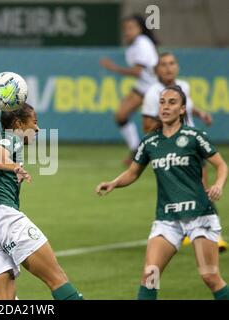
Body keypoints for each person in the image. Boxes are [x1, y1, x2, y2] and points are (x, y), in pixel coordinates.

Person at [96, 85, 229, 300]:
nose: (166, 107)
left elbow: (222, 165)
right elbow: (133, 172)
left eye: (172, 102)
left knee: (210, 277)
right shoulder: (150, 142)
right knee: (150, 275)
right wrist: (113, 183)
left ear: (183, 109)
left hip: (199, 216)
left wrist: (218, 185)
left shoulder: (194, 136)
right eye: (162, 102)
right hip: (167, 219)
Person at [0, 99, 84, 300]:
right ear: (18, 124)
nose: (37, 128)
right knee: (57, 279)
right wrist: (13, 166)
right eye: (34, 122)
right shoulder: (10, 138)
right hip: (3, 219)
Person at [141, 52, 227, 252]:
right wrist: (166, 125)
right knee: (184, 192)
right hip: (171, 149)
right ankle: (187, 231)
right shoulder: (153, 93)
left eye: (172, 63)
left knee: (202, 189)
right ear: (157, 70)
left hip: (190, 146)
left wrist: (200, 113)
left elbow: (188, 106)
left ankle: (212, 236)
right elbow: (146, 124)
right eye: (163, 64)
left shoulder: (184, 87)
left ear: (177, 67)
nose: (168, 68)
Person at [100, 14, 158, 165]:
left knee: (156, 126)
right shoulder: (134, 45)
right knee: (120, 115)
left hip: (154, 88)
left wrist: (114, 68)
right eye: (125, 28)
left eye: (131, 28)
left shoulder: (143, 43)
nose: (127, 31)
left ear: (140, 29)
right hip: (143, 86)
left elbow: (137, 71)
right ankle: (135, 150)